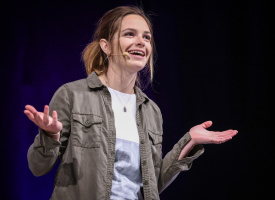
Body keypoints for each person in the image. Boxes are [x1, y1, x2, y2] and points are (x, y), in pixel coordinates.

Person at [24, 6, 238, 200]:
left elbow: (152, 185)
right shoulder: (72, 95)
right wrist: (51, 136)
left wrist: (190, 141)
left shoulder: (151, 111)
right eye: (129, 34)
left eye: (147, 37)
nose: (141, 42)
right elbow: (37, 167)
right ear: (105, 46)